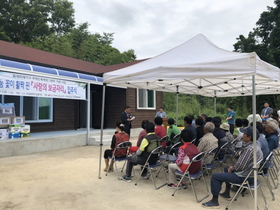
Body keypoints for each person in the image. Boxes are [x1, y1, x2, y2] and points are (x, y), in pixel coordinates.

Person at [201, 126, 263, 209]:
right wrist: (232, 168)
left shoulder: (249, 149)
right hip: (251, 174)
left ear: (249, 137)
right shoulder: (256, 145)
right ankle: (226, 193)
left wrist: (233, 168)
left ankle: (214, 201)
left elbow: (240, 166)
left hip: (244, 177)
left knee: (216, 176)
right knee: (226, 169)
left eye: (244, 134)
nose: (242, 135)